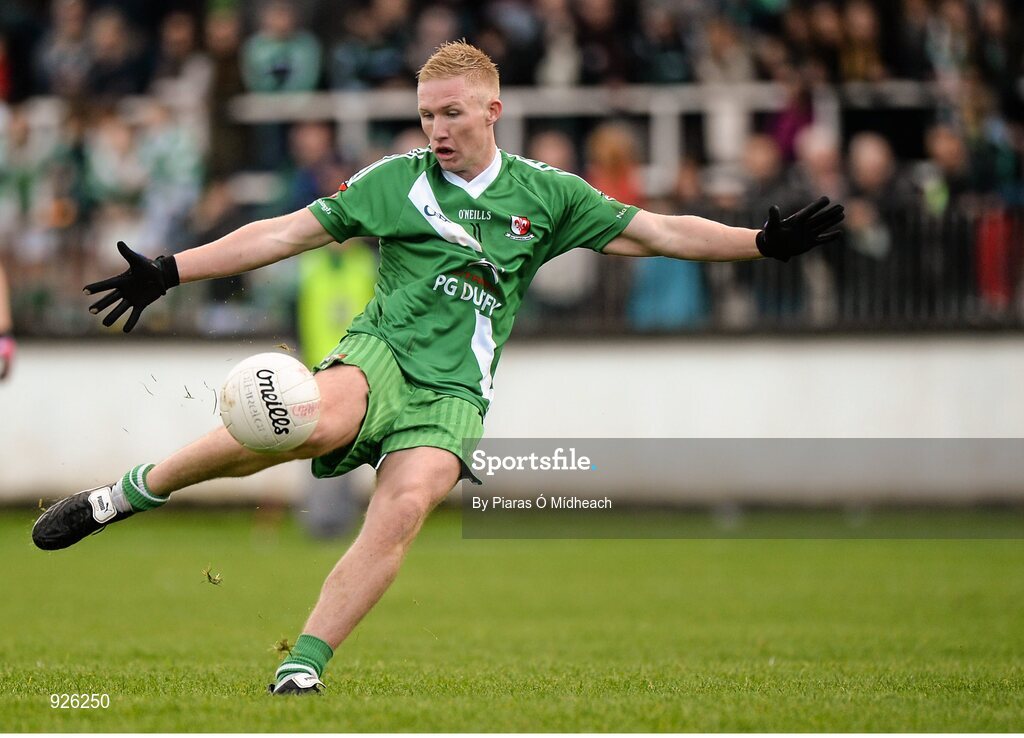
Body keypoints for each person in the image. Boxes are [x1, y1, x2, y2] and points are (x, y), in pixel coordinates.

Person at [32, 42, 844, 695]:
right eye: (426, 116)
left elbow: (656, 231)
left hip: (458, 390)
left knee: (406, 506)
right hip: (383, 351)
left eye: (452, 113)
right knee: (312, 418)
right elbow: (282, 234)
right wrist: (173, 269)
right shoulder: (395, 183)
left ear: (494, 109)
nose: (438, 129)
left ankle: (303, 662)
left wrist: (759, 244)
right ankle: (129, 492)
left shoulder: (548, 196)